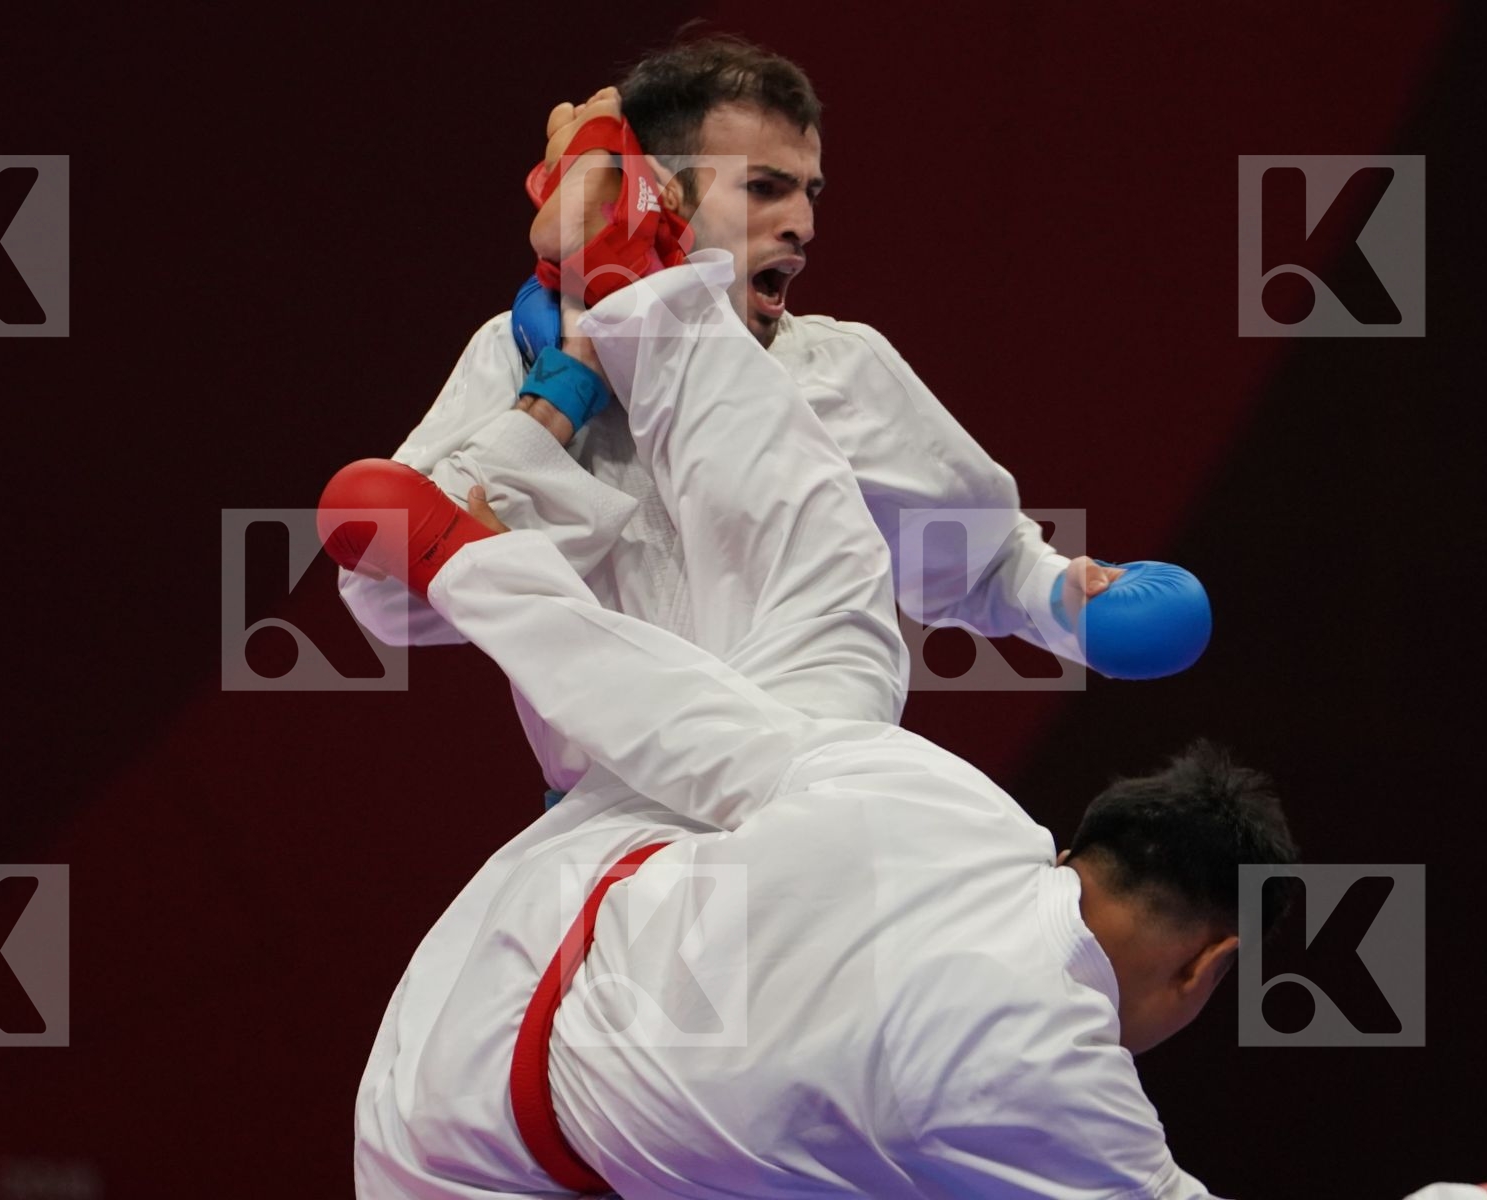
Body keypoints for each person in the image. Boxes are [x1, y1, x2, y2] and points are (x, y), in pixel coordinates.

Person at [337, 251, 1276, 1198]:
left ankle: (645, 299)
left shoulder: (946, 800)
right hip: (453, 1144)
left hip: (525, 929)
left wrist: (467, 564)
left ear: (1082, 852)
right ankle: (647, 313)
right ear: (1208, 964)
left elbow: (675, 716)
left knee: (825, 678)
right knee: (821, 683)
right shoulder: (1071, 1095)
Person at [337, 35, 1210, 799]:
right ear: (664, 200)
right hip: (612, 834)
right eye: (764, 189)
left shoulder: (838, 366)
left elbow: (982, 559)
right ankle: (619, 277)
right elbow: (391, 600)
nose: (802, 224)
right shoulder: (518, 353)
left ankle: (616, 265)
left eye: (810, 193)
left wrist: (1067, 600)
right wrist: (560, 398)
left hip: (808, 809)